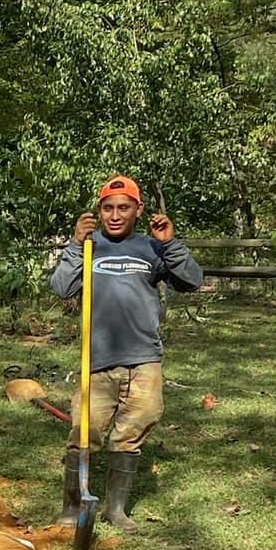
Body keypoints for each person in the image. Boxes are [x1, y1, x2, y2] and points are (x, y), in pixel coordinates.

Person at [50, 175, 204, 530]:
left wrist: (171, 244)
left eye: (123, 207)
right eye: (108, 208)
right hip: (98, 359)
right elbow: (62, 287)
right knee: (84, 432)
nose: (115, 215)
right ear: (99, 211)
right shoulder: (90, 247)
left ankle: (115, 510)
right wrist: (75, 245)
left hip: (144, 358)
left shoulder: (152, 248)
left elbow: (192, 281)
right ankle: (72, 508)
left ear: (138, 210)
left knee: (133, 429)